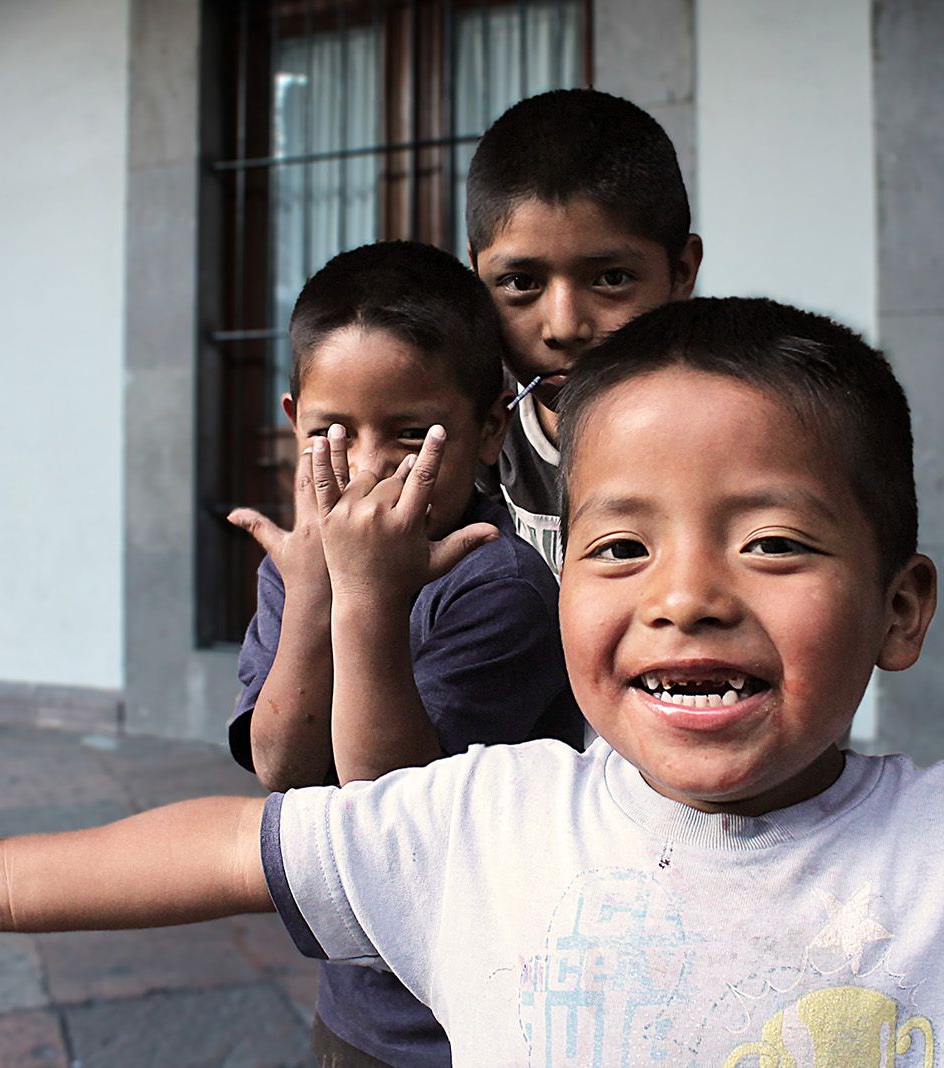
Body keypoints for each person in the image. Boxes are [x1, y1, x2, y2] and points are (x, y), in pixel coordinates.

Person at [0, 298, 944, 1066]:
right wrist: (4, 880)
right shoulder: (493, 822)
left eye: (770, 539)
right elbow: (239, 839)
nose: (687, 593)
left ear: (898, 608)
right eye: (619, 545)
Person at [222, 240, 584, 1065]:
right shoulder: (297, 573)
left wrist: (364, 599)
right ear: (292, 423)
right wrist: (314, 593)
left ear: (490, 426)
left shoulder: (502, 586)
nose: (370, 466)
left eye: (412, 434)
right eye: (331, 432)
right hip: (361, 1005)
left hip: (478, 1012)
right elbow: (281, 765)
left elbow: (394, 806)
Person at [466, 88, 703, 570]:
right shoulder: (472, 428)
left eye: (611, 279)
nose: (564, 326)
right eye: (520, 283)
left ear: (680, 273)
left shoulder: (727, 432)